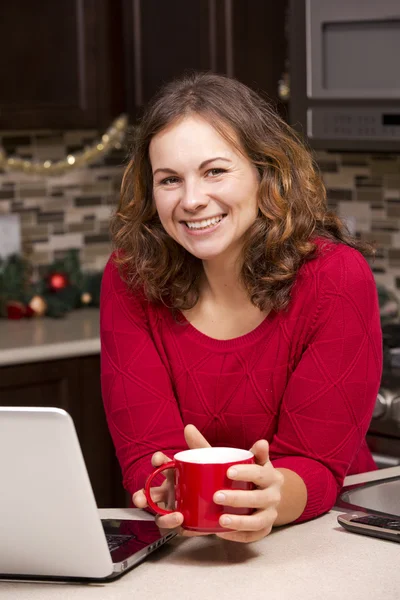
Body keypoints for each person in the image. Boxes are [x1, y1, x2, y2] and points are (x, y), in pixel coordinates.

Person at [100, 72, 382, 544]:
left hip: (328, 537)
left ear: (264, 171)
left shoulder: (336, 278)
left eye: (215, 171)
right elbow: (146, 454)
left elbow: (316, 464)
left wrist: (270, 498)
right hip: (189, 544)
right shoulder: (130, 277)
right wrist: (165, 491)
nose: (192, 200)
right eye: (170, 180)